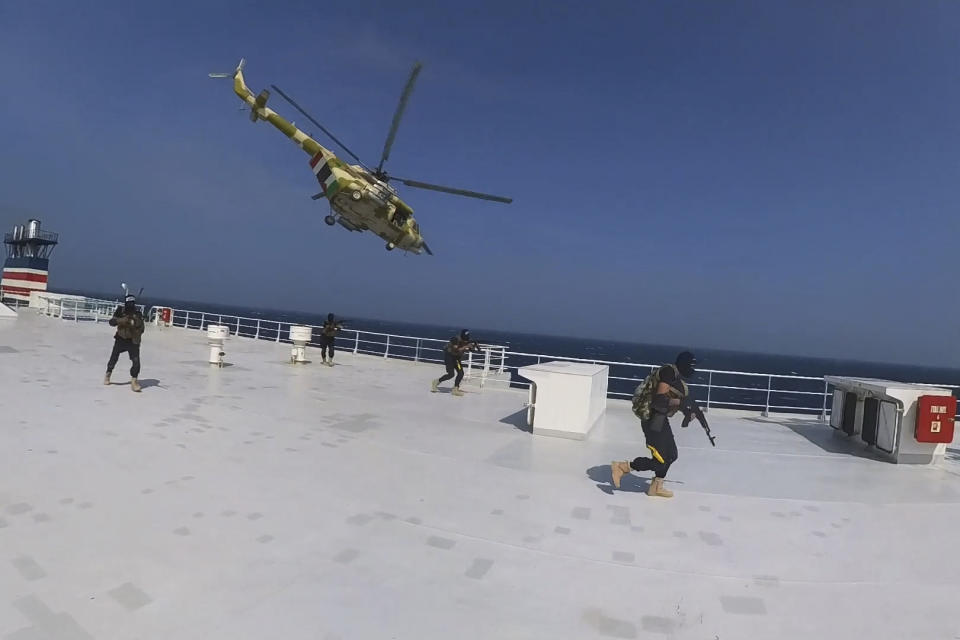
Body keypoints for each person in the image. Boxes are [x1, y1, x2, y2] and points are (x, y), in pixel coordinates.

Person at [610, 351, 697, 498]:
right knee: (661, 461)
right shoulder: (668, 372)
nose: (693, 370)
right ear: (684, 365)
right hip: (652, 419)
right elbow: (659, 400)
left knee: (672, 455)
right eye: (691, 366)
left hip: (660, 419)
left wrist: (688, 411)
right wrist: (679, 402)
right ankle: (622, 467)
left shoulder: (675, 378)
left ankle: (656, 487)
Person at [104, 294, 145, 392]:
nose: (130, 305)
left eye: (132, 303)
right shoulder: (120, 311)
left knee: (136, 362)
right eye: (129, 303)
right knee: (113, 358)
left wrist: (134, 322)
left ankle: (134, 381)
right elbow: (112, 322)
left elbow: (141, 327)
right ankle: (108, 374)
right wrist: (122, 320)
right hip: (120, 339)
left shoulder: (138, 313)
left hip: (133, 341)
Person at [431, 329, 477, 397]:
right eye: (465, 339)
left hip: (457, 359)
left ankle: (455, 389)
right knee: (451, 374)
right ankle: (436, 382)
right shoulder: (455, 339)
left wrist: (472, 347)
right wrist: (466, 346)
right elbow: (456, 349)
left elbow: (469, 349)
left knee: (461, 373)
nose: (466, 340)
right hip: (449, 357)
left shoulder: (466, 341)